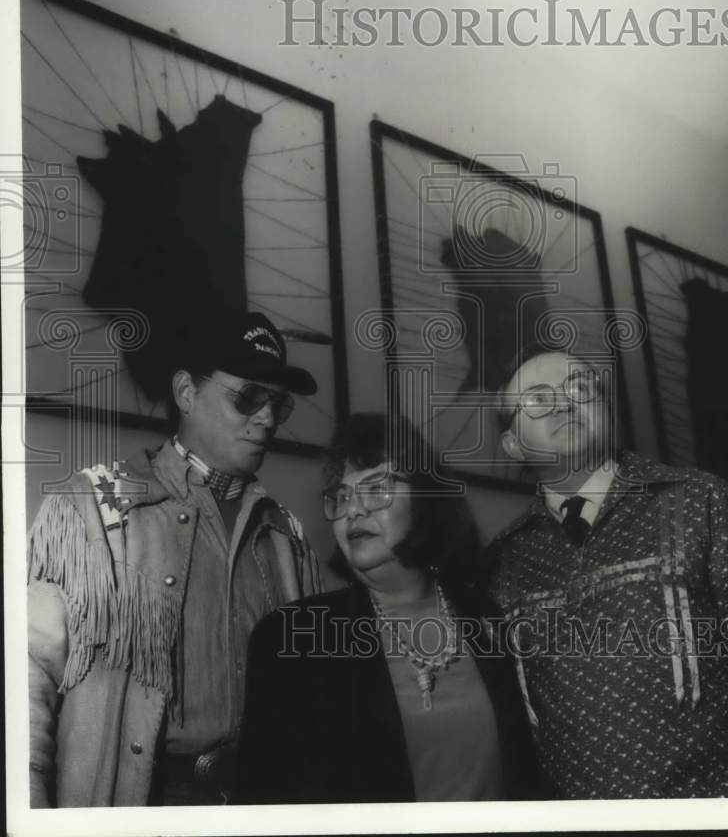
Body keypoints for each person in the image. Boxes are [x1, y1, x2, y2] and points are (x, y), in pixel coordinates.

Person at [484, 340, 728, 799]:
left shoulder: (702, 502)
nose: (563, 401)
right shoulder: (505, 561)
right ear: (513, 446)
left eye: (579, 385)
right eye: (537, 399)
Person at [27, 311, 324, 806]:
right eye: (248, 397)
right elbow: (27, 690)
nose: (268, 418)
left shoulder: (285, 536)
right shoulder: (90, 507)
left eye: (278, 404)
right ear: (187, 392)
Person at [236, 413, 548, 803]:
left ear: (425, 500)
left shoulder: (487, 617)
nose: (353, 510)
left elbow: (525, 778)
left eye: (376, 488)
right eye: (342, 494)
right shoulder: (288, 638)